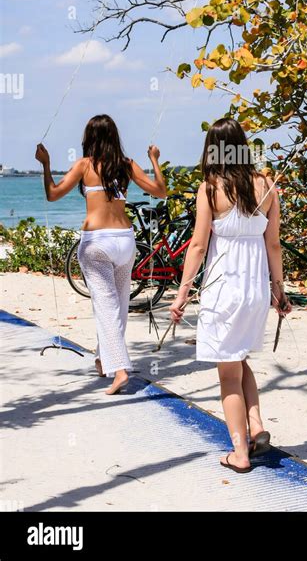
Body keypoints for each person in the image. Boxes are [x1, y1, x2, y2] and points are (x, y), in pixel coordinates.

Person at [169, 118, 290, 473]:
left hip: (224, 290)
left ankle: (239, 453)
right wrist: (278, 292)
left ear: (212, 148)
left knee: (227, 374)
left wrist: (181, 295)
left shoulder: (210, 189)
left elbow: (197, 245)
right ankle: (257, 426)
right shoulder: (266, 184)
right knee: (238, 359)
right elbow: (274, 244)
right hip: (255, 289)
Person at [35, 114, 167, 394]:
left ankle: (120, 370)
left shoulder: (85, 165)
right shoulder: (127, 165)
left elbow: (52, 194)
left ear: (89, 139)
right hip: (125, 241)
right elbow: (161, 190)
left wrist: (46, 165)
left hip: (97, 242)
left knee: (107, 308)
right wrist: (154, 158)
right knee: (117, 307)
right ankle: (102, 358)